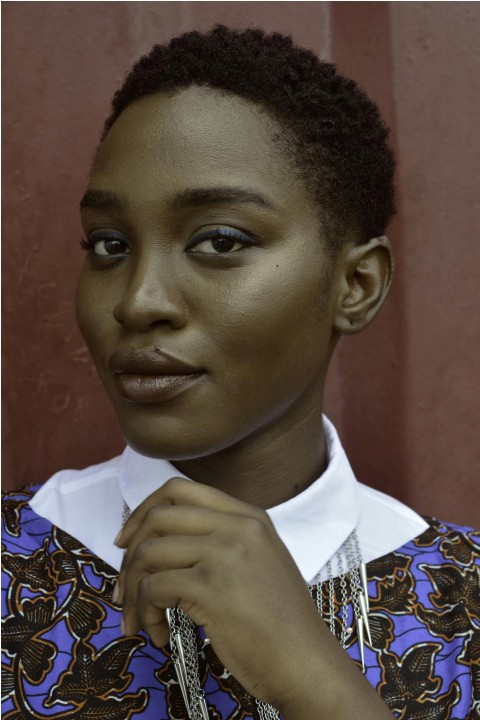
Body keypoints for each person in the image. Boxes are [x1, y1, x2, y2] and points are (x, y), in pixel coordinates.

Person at [2, 25, 478, 720]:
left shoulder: (464, 601)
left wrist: (313, 681)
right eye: (109, 244)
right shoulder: (14, 562)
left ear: (355, 286)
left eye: (220, 241)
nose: (139, 301)